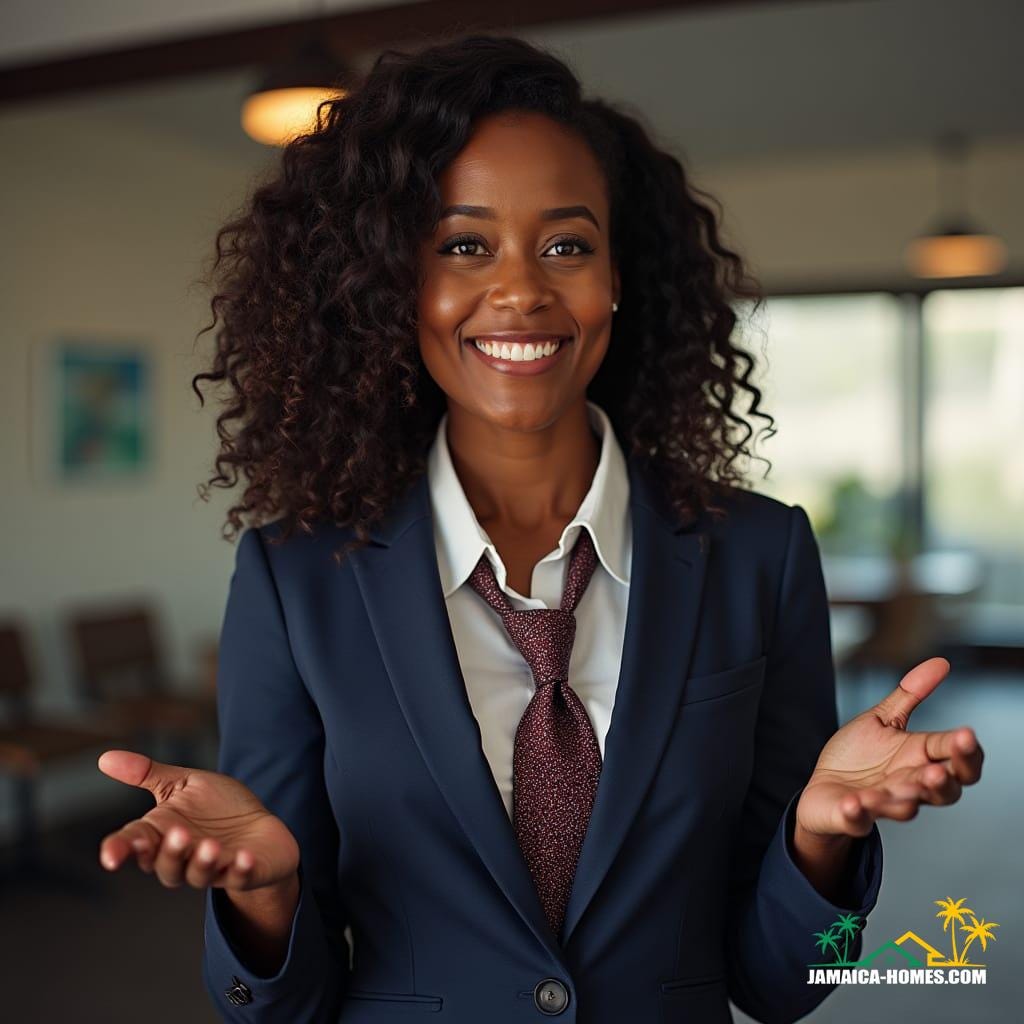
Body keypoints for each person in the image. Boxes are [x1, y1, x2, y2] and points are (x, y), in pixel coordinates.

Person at [95, 33, 984, 1024]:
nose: (521, 290)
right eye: (463, 245)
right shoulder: (294, 578)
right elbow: (279, 1008)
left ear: (619, 276)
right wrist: (262, 900)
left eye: (566, 246)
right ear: (392, 281)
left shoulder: (758, 556)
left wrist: (819, 839)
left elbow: (790, 984)